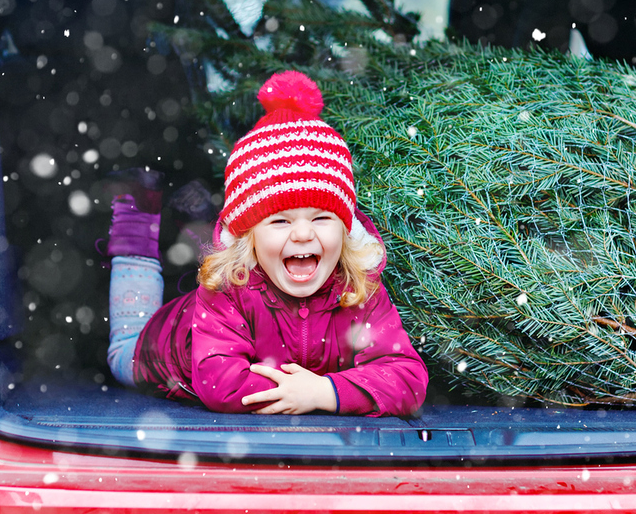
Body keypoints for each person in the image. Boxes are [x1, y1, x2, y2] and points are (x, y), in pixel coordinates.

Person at [103, 70, 428, 416]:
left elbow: (408, 379)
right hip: (163, 346)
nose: (303, 234)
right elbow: (220, 383)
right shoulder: (228, 289)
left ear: (345, 229)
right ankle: (136, 220)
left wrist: (324, 392)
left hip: (218, 313)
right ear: (249, 237)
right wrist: (298, 392)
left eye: (321, 217)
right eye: (279, 221)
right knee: (121, 354)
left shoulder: (359, 290)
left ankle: (196, 217)